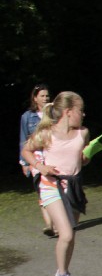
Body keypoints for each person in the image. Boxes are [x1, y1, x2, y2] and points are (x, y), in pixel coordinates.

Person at [21, 91, 90, 276]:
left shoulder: (83, 133)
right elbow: (26, 151)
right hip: (51, 186)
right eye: (80, 110)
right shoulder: (46, 134)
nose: (84, 114)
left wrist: (85, 158)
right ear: (68, 112)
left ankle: (64, 272)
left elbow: (80, 158)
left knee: (71, 237)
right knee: (66, 234)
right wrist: (40, 166)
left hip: (73, 187)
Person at [19, 84, 55, 237]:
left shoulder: (54, 113)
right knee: (41, 189)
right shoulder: (27, 117)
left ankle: (56, 221)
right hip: (35, 157)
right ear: (35, 98)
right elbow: (23, 140)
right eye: (42, 96)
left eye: (47, 95)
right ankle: (49, 224)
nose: (45, 98)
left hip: (52, 155)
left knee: (54, 187)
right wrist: (24, 162)